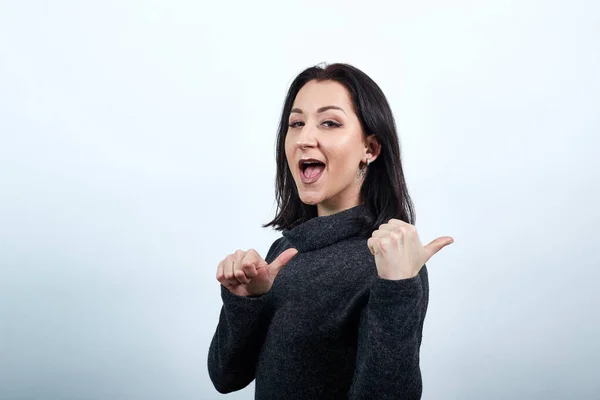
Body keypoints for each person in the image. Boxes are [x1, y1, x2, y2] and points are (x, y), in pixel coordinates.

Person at [207, 63, 454, 399]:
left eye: (330, 122)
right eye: (296, 123)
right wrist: (244, 300)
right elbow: (226, 377)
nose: (305, 138)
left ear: (370, 149)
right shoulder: (284, 250)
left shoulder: (391, 262)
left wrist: (397, 288)